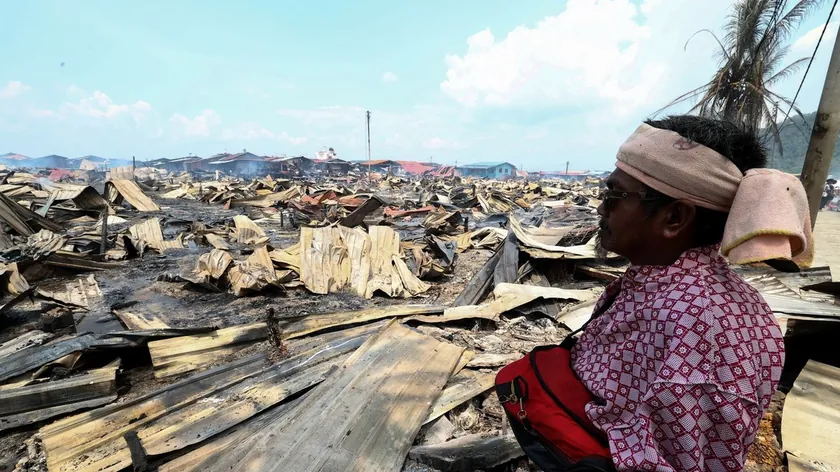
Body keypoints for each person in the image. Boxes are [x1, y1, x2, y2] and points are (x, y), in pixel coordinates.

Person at [571, 115, 812, 471]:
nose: (601, 208)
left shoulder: (691, 322)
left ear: (674, 218)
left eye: (615, 195)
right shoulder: (670, 286)